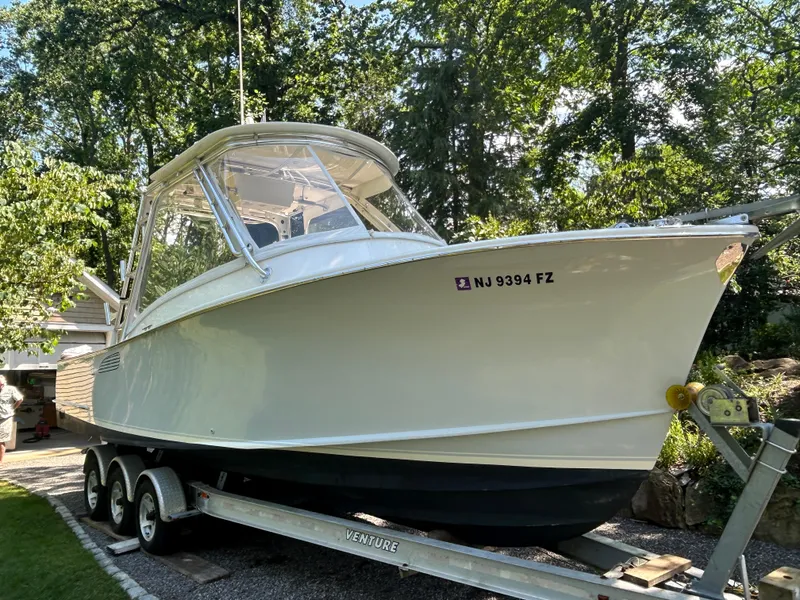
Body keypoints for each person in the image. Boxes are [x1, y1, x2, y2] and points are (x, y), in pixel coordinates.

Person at [0, 374, 24, 463]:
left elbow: (20, 399)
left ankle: (0, 461)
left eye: (1, 385)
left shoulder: (10, 389)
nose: (0, 387)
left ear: (4, 383)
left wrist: (13, 408)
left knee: (1, 440)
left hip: (5, 417)